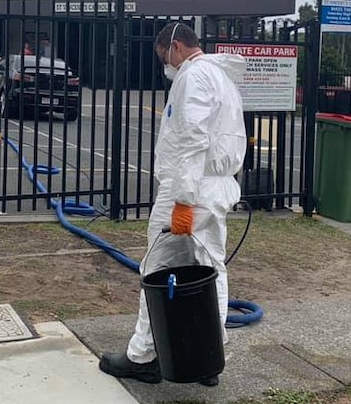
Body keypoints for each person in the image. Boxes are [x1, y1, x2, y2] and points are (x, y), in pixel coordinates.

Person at [99, 22, 248, 387]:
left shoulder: (193, 77)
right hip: (215, 188)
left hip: (190, 189)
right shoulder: (221, 77)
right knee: (210, 269)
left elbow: (193, 140)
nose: (165, 64)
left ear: (176, 47)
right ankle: (208, 358)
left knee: (158, 268)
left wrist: (182, 200)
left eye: (164, 56)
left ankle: (143, 356)